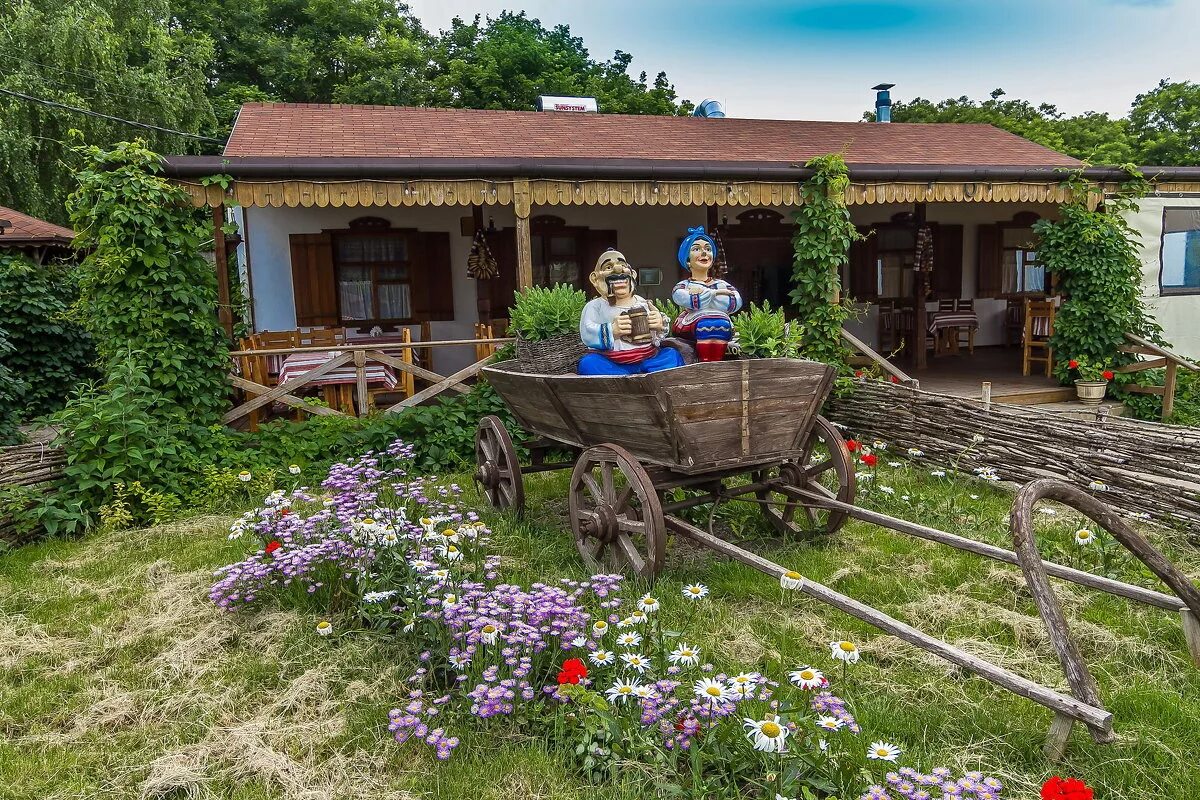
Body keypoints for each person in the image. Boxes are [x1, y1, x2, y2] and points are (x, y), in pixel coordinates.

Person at [578, 249, 684, 376]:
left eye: (623, 266)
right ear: (595, 278)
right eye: (608, 267)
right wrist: (612, 331)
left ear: (632, 274)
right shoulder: (595, 306)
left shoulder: (642, 302)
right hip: (612, 362)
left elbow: (657, 335)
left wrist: (659, 324)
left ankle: (640, 377)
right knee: (589, 364)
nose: (618, 270)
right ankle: (625, 379)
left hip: (647, 358)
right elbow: (587, 332)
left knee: (672, 355)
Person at [670, 226, 742, 362]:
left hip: (720, 322)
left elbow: (735, 302)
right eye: (696, 249)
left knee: (718, 323)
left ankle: (713, 364)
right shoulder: (683, 285)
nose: (704, 253)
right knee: (710, 323)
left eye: (708, 249)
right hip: (690, 323)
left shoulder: (722, 283)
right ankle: (707, 365)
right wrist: (717, 295)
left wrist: (705, 295)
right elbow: (681, 297)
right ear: (687, 260)